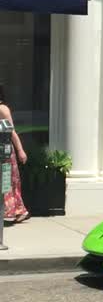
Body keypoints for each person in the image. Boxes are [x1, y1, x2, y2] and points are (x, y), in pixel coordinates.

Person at [0, 85, 30, 223]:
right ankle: (17, 211)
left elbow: (11, 131)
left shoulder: (2, 109)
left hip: (4, 149)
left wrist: (20, 150)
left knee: (8, 179)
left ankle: (15, 211)